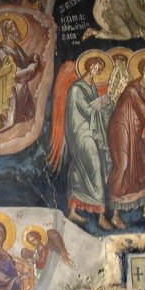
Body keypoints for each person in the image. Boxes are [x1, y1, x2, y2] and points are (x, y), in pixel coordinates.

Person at [53, 56, 113, 229]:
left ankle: (72, 210)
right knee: (96, 166)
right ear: (88, 66)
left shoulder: (91, 87)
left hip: (90, 131)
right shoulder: (76, 89)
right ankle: (101, 215)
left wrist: (105, 104)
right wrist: (104, 104)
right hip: (81, 133)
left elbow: (93, 108)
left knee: (79, 169)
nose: (98, 70)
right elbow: (88, 110)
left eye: (100, 68)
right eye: (96, 67)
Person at [107, 59, 145, 227]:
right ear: (144, 71)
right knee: (123, 167)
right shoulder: (132, 90)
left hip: (137, 133)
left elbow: (144, 119)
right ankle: (115, 215)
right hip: (122, 131)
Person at [0, 17, 41, 130]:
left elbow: (24, 62)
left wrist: (32, 58)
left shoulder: (16, 47)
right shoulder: (2, 51)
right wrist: (30, 69)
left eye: (14, 26)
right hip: (12, 89)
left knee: (29, 115)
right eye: (11, 28)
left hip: (23, 88)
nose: (15, 29)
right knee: (11, 122)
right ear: (5, 33)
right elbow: (13, 72)